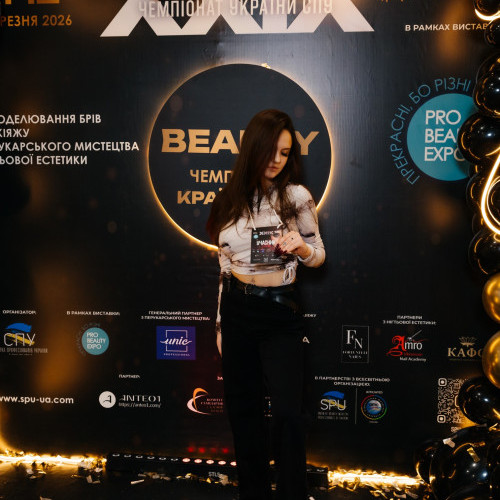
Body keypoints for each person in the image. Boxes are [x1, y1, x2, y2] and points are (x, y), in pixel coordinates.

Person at [206, 109, 325, 500]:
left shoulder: (297, 197)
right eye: (271, 151)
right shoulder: (227, 201)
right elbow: (224, 266)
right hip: (238, 311)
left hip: (280, 311)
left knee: (289, 414)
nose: (277, 160)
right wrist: (221, 325)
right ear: (253, 148)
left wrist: (302, 247)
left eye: (285, 153)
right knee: (244, 413)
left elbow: (319, 255)